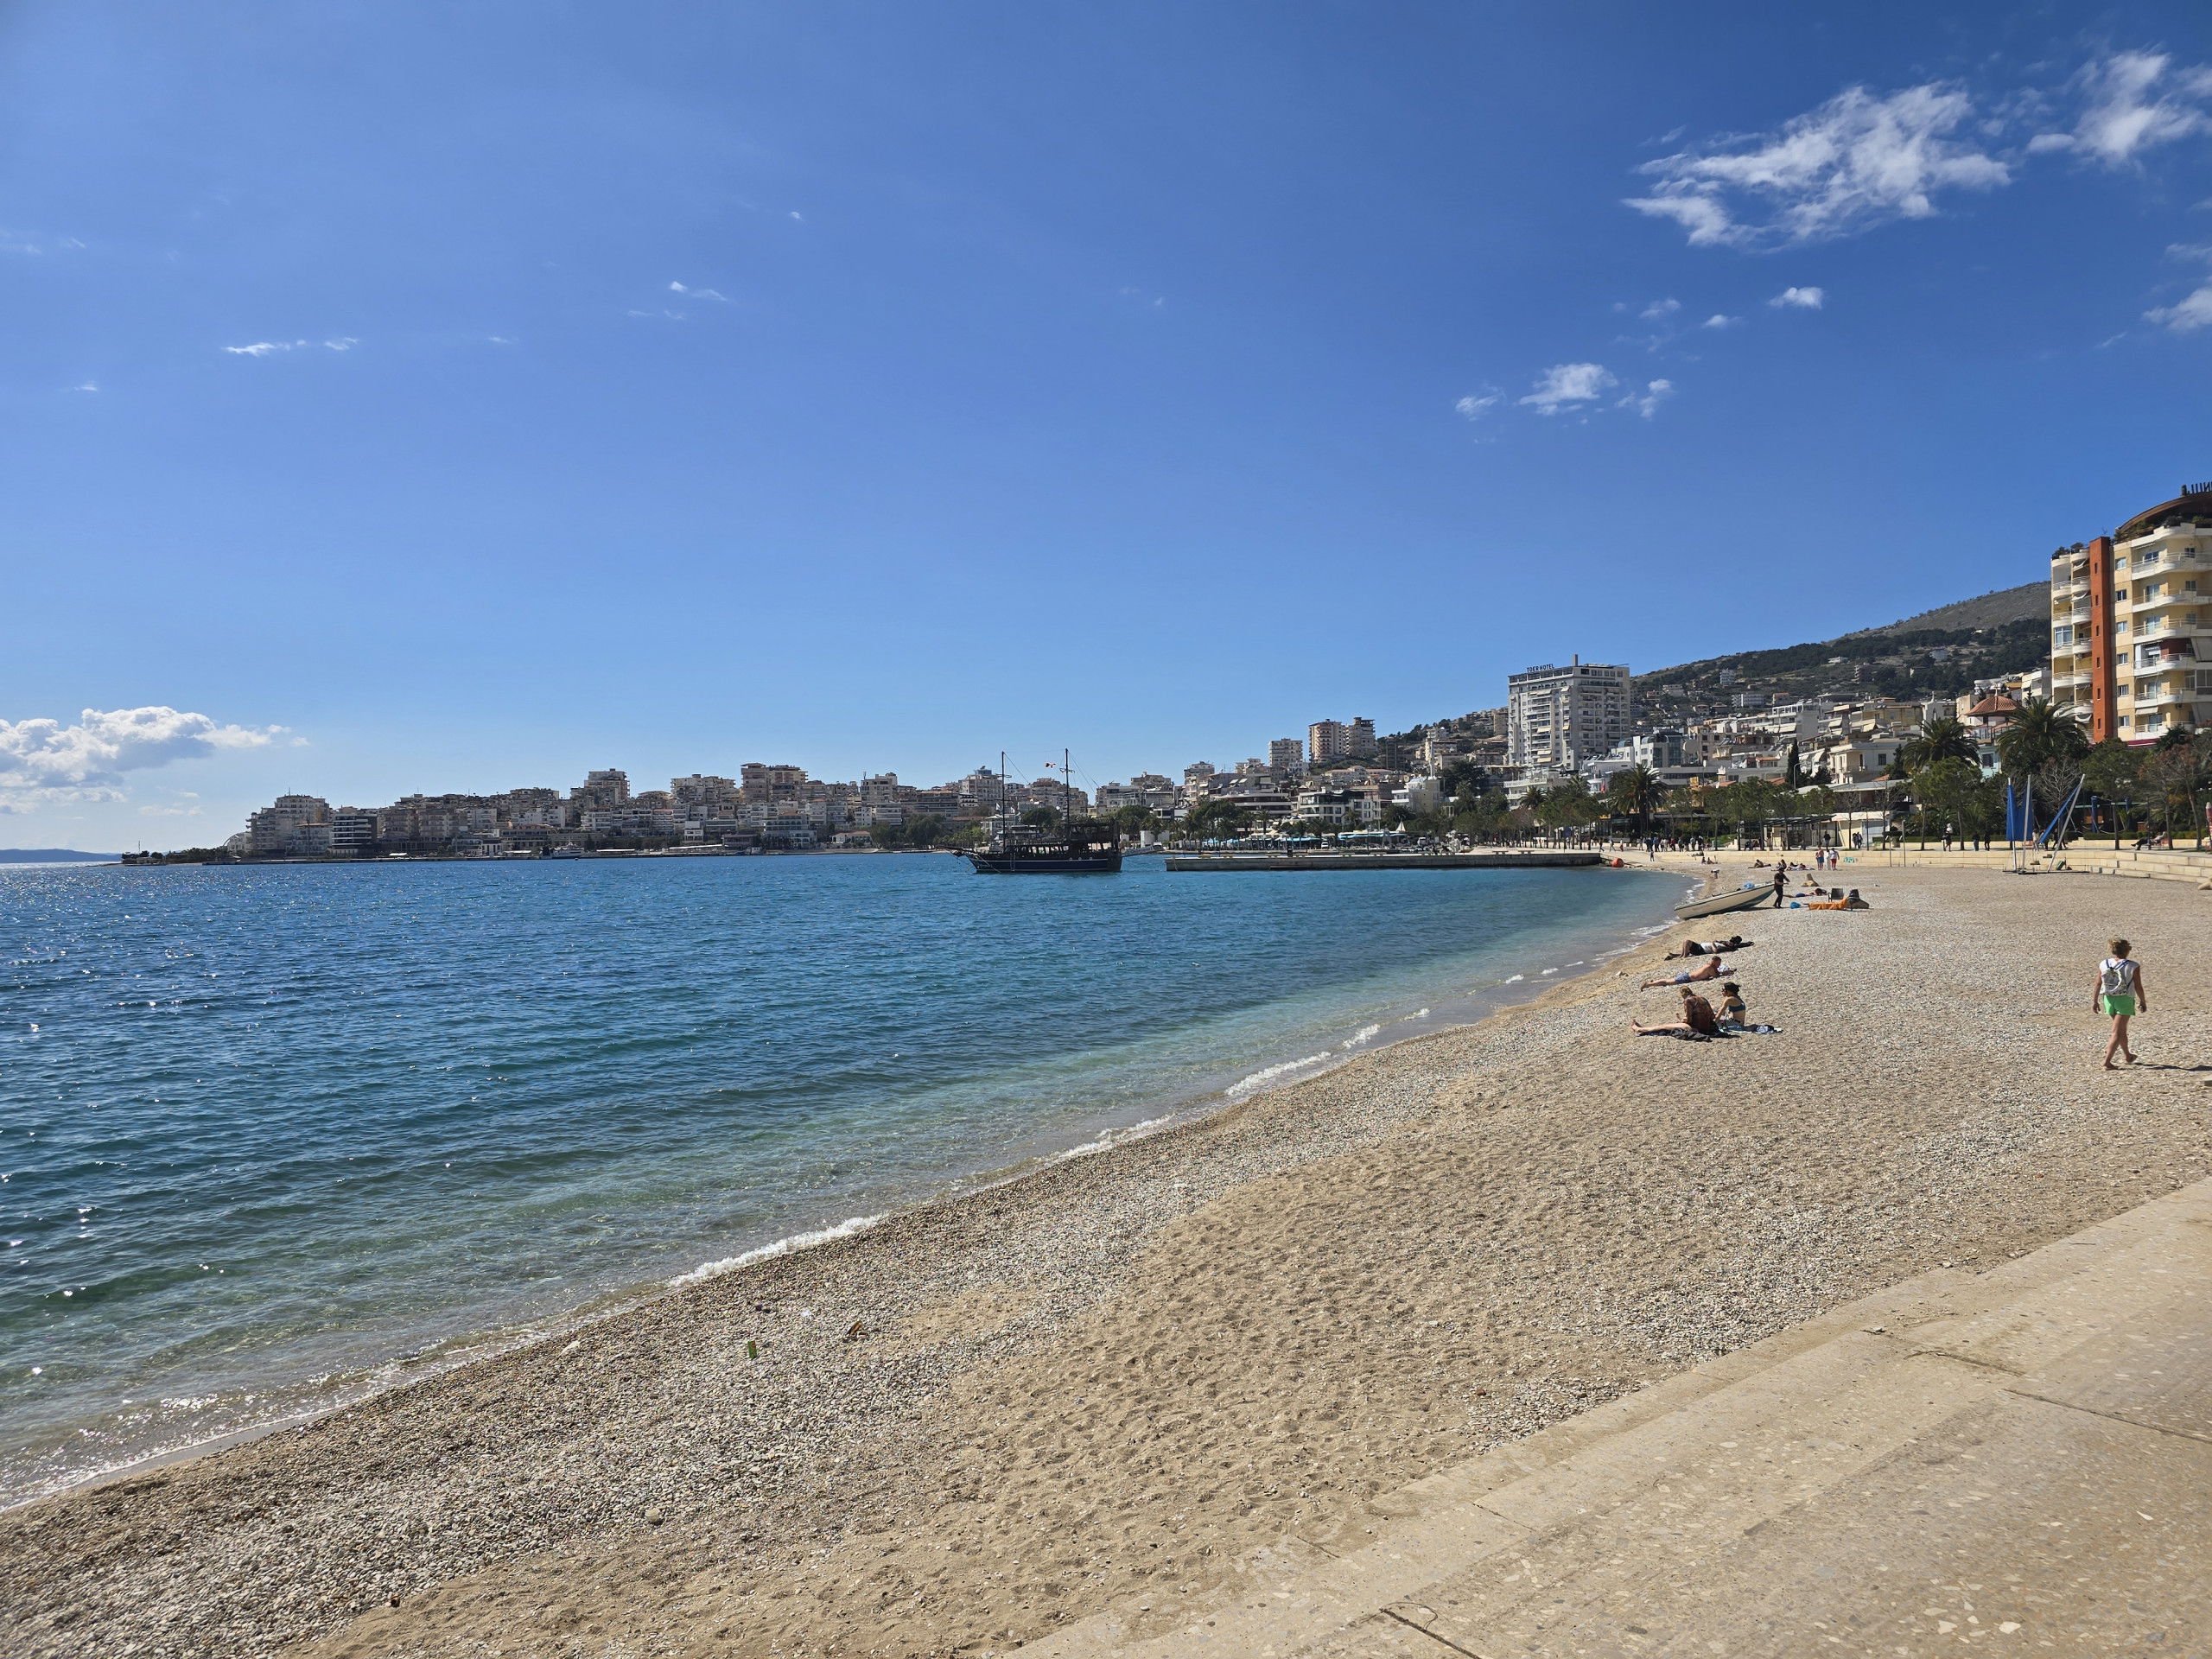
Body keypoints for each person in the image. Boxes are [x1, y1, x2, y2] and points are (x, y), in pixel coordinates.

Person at [2095, 939, 2146, 1070]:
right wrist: (2143, 1001)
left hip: (2108, 999)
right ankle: (2107, 1062)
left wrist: (2095, 1001)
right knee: (2116, 1032)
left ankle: (2128, 1056)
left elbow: (2098, 983)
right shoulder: (2133, 966)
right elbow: (2138, 986)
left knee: (2121, 1030)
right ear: (2126, 950)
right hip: (2124, 999)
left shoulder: (2104, 963)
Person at [1635, 985, 1719, 1038]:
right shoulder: (1703, 998)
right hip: (1708, 1027)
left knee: (1664, 1026)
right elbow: (1712, 1016)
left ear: (1683, 994)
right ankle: (1642, 1029)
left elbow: (1689, 1020)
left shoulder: (1688, 1001)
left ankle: (1640, 1029)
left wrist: (1683, 1020)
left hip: (1697, 1029)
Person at [1642, 957, 1729, 988]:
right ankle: (1648, 984)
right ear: (1714, 962)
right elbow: (1716, 976)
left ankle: (1652, 983)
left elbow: (1716, 973)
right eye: (1718, 963)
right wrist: (1725, 973)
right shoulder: (1709, 967)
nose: (1719, 965)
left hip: (1688, 976)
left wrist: (1723, 972)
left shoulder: (1710, 965)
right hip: (1687, 978)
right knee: (1667, 982)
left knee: (1668, 981)